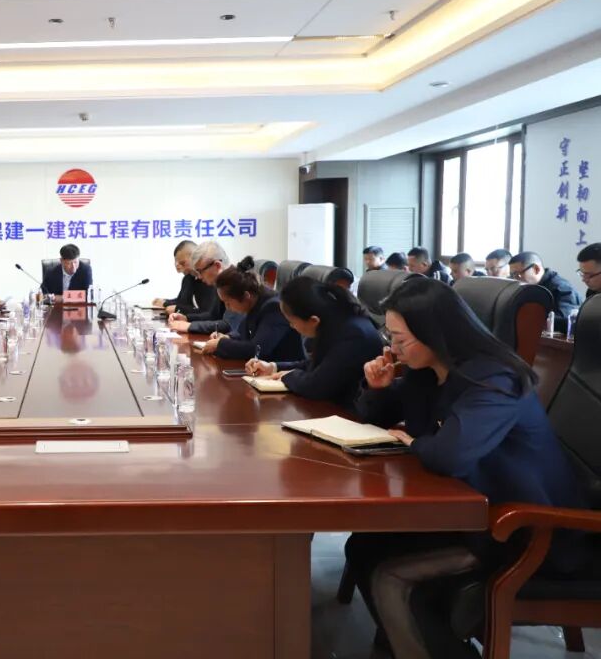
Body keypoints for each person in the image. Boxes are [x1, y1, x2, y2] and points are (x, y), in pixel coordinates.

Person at [346, 278, 586, 659]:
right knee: (363, 545)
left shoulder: (496, 379)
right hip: (474, 511)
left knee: (392, 577)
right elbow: (386, 417)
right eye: (389, 336)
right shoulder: (430, 371)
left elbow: (449, 455)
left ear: (435, 333)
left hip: (524, 529)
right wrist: (378, 389)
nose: (392, 348)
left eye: (400, 338)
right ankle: (399, 645)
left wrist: (413, 443)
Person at [246, 275, 383, 407]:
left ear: (313, 320)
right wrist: (273, 367)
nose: (291, 326)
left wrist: (287, 376)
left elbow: (316, 386)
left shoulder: (353, 335)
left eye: (292, 322)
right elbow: (318, 365)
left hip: (351, 413)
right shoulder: (336, 322)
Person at [198, 263, 304, 363]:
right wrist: (228, 337)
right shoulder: (256, 301)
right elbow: (242, 333)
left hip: (282, 370)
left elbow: (257, 349)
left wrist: (220, 345)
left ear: (246, 296)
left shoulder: (274, 307)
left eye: (228, 303)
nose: (227, 308)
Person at [168, 241, 229, 334]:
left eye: (201, 271)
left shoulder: (234, 283)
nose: (199, 277)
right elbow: (213, 316)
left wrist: (190, 326)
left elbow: (228, 325)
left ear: (217, 266)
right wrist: (186, 318)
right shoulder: (220, 284)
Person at [509, 251, 581, 330]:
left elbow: (565, 321)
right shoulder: (528, 287)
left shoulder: (562, 288)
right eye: (512, 275)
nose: (515, 279)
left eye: (517, 274)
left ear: (536, 269)